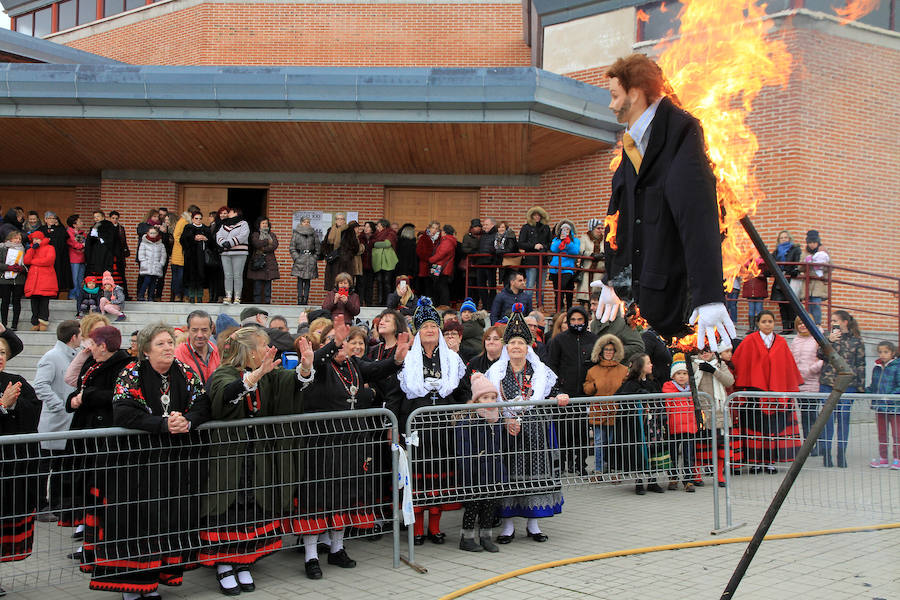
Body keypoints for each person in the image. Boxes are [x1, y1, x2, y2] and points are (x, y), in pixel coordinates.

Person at [593, 53, 735, 350]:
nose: (611, 105)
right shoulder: (632, 142)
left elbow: (697, 213)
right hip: (648, 294)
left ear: (635, 94)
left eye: (615, 96)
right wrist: (614, 279)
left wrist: (708, 294)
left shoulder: (681, 131)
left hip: (675, 294)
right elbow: (622, 216)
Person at [91, 323, 210, 597]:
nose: (168, 347)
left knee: (165, 522)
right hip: (136, 466)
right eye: (161, 344)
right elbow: (123, 412)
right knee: (134, 523)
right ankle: (132, 587)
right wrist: (162, 424)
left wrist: (188, 421)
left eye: (170, 342)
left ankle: (153, 581)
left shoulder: (184, 370)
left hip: (172, 465)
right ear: (146, 350)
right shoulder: (132, 373)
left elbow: (203, 403)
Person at [202, 327, 313, 592]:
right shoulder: (224, 373)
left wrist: (305, 369)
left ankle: (243, 561)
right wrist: (257, 374)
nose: (269, 350)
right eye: (264, 346)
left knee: (250, 505)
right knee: (228, 507)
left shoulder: (267, 375)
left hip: (256, 456)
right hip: (229, 457)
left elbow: (289, 384)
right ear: (250, 351)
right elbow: (224, 396)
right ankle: (224, 564)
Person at [297, 318, 409, 577]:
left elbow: (377, 369)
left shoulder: (353, 364)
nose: (341, 348)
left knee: (343, 495)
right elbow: (312, 366)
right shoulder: (320, 366)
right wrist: (331, 344)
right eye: (336, 343)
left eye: (343, 342)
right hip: (321, 444)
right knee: (317, 500)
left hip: (349, 442)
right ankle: (311, 556)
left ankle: (337, 548)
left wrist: (396, 360)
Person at [485, 304, 568, 543]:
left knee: (534, 473)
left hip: (535, 429)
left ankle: (533, 524)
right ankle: (508, 526)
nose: (516, 347)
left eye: (521, 343)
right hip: (506, 429)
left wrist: (559, 397)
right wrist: (505, 418)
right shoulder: (497, 371)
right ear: (506, 347)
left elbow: (555, 390)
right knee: (509, 474)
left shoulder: (540, 370)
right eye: (512, 343)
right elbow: (489, 399)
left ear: (527, 346)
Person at [394, 297, 467, 545]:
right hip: (415, 427)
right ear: (418, 331)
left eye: (433, 327)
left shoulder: (452, 360)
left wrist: (462, 410)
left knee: (439, 477)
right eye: (424, 327)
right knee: (417, 479)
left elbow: (463, 391)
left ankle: (434, 527)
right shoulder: (408, 359)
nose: (429, 330)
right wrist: (395, 428)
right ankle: (416, 529)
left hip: (443, 427)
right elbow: (396, 395)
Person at [64, 325, 134, 565]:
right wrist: (73, 400)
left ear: (103, 346)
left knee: (102, 499)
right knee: (89, 497)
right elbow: (76, 385)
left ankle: (101, 548)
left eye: (92, 344)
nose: (88, 348)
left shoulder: (124, 365)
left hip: (105, 442)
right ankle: (89, 547)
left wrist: (88, 396)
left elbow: (118, 395)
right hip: (86, 437)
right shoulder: (92, 361)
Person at [731, 310, 803, 473]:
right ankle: (755, 462)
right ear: (758, 323)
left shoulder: (781, 342)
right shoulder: (750, 340)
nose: (767, 324)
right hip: (755, 393)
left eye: (770, 321)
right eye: (764, 321)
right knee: (755, 429)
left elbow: (788, 367)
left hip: (775, 394)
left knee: (773, 429)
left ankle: (770, 462)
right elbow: (739, 363)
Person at [0, 327, 39, 596]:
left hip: (9, 471)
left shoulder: (16, 380)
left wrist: (12, 406)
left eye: (2, 352)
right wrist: (1, 406)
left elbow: (33, 414)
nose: (0, 357)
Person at [33, 320, 80, 522]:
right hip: (53, 424)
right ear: (73, 337)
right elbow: (40, 385)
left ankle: (57, 505)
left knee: (61, 467)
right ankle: (41, 506)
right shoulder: (51, 357)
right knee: (45, 468)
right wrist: (60, 406)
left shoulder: (75, 356)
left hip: (67, 424)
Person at [454, 373, 506, 553]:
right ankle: (466, 538)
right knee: (474, 504)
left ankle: (486, 536)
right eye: (485, 398)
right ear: (476, 400)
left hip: (493, 470)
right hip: (475, 471)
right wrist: (468, 469)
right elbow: (464, 448)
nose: (490, 401)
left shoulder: (497, 419)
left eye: (493, 397)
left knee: (490, 503)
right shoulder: (468, 421)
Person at [546, 306, 597, 475]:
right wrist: (557, 388)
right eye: (573, 320)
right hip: (564, 393)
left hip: (584, 393)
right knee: (563, 432)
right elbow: (552, 365)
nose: (576, 323)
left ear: (585, 320)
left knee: (581, 433)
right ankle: (560, 464)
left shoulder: (593, 339)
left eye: (579, 320)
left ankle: (580, 464)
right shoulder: (559, 340)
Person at [817, 310, 866, 467]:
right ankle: (826, 455)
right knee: (827, 421)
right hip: (828, 384)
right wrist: (828, 341)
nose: (832, 323)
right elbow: (819, 354)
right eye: (831, 321)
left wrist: (860, 387)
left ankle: (841, 454)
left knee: (843, 420)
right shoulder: (827, 336)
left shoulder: (857, 341)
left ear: (845, 322)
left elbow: (860, 364)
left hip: (847, 386)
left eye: (836, 321)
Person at [614, 353, 667, 495]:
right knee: (639, 451)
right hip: (637, 426)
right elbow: (620, 398)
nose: (651, 365)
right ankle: (639, 483)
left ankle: (652, 481)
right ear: (640, 366)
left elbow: (659, 399)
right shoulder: (630, 384)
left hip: (652, 424)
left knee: (652, 451)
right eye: (648, 363)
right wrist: (638, 395)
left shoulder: (652, 382)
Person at [583, 334, 628, 480]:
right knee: (598, 442)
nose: (609, 352)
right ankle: (598, 470)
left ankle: (614, 469)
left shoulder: (624, 370)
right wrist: (594, 385)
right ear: (601, 352)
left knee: (614, 442)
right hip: (598, 411)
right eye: (606, 349)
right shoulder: (593, 371)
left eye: (612, 350)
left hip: (616, 412)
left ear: (616, 352)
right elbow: (586, 389)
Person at [692, 346, 737, 487]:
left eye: (707, 351)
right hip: (701, 410)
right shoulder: (693, 364)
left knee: (720, 445)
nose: (704, 354)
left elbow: (729, 381)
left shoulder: (719, 363)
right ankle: (697, 474)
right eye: (701, 352)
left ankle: (719, 475)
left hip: (718, 409)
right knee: (700, 444)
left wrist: (714, 371)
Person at [662, 355, 699, 492]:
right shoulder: (668, 387)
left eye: (684, 373)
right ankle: (673, 477)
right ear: (673, 375)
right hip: (673, 427)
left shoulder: (692, 388)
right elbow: (669, 403)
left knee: (688, 454)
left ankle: (688, 480)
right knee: (672, 454)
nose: (682, 377)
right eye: (678, 374)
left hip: (689, 426)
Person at [789, 317, 824, 453]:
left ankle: (819, 444)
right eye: (799, 324)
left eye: (805, 323)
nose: (802, 326)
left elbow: (824, 359)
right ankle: (808, 446)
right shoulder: (796, 340)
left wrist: (812, 369)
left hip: (813, 382)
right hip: (800, 384)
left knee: (813, 416)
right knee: (804, 416)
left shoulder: (817, 338)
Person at [868, 341, 899, 469]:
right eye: (880, 352)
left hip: (895, 407)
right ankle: (883, 458)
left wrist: (889, 397)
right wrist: (865, 391)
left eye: (886, 352)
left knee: (897, 434)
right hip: (880, 406)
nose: (883, 354)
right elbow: (874, 385)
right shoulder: (877, 367)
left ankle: (897, 458)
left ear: (892, 353)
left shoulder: (897, 366)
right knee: (882, 433)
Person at [174, 310, 221, 384]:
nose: (200, 335)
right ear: (188, 330)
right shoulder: (178, 355)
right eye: (195, 330)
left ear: (211, 330)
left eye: (204, 330)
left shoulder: (217, 352)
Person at [517, 206, 551, 306]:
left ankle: (540, 306)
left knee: (541, 286)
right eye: (535, 215)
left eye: (539, 215)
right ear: (531, 216)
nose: (537, 217)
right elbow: (521, 243)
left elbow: (550, 243)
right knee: (530, 285)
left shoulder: (546, 228)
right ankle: (527, 307)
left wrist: (543, 246)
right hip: (531, 260)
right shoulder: (526, 227)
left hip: (543, 260)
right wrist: (533, 246)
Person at [24, 230, 57, 331]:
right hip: (33, 280)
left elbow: (49, 260)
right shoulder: (32, 249)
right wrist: (31, 250)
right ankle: (35, 323)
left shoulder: (50, 248)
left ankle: (43, 321)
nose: (35, 241)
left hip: (45, 279)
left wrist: (34, 262)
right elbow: (26, 260)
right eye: (34, 239)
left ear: (42, 239)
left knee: (44, 302)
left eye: (37, 239)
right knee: (34, 302)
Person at [216, 208, 250, 304]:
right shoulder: (224, 224)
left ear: (236, 213)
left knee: (237, 275)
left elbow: (243, 235)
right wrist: (223, 243)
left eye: (230, 212)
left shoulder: (243, 223)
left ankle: (237, 297)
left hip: (239, 253)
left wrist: (230, 242)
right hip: (225, 253)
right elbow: (218, 235)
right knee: (227, 275)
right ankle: (228, 296)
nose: (228, 213)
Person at [770, 230, 802, 334]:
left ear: (789, 238)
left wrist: (791, 271)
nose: (783, 239)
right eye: (781, 238)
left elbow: (797, 262)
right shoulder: (776, 252)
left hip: (789, 278)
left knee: (791, 304)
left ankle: (791, 328)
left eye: (785, 237)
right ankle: (785, 328)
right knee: (782, 304)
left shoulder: (795, 249)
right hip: (779, 280)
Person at [180, 211, 213, 303]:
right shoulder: (188, 227)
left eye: (200, 218)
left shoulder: (206, 229)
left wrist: (205, 239)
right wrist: (193, 238)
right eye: (196, 218)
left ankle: (199, 296)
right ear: (193, 219)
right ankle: (191, 296)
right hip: (191, 257)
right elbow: (182, 240)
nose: (198, 220)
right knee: (191, 277)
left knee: (201, 276)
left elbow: (211, 242)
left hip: (202, 257)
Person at [246, 216, 280, 304]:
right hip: (258, 262)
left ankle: (267, 302)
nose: (265, 225)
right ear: (259, 225)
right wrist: (267, 241)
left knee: (268, 285)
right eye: (263, 223)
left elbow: (274, 245)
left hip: (269, 262)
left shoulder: (272, 235)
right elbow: (256, 243)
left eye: (266, 223)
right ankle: (257, 302)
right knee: (257, 285)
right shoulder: (255, 234)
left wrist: (263, 248)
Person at [548, 220, 580, 312]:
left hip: (567, 269)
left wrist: (568, 242)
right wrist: (561, 240)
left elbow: (575, 251)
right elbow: (553, 249)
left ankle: (569, 310)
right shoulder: (556, 240)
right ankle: (559, 310)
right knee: (557, 291)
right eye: (563, 229)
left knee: (566, 289)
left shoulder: (575, 240)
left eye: (567, 229)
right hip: (555, 269)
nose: (565, 231)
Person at [40, 211, 72, 298]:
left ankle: (55, 293)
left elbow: (64, 243)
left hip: (58, 257)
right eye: (50, 218)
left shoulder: (61, 229)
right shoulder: (41, 229)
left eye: (54, 218)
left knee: (57, 274)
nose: (52, 220)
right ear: (45, 219)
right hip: (45, 257)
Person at [290, 216, 321, 305]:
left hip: (310, 259)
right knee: (300, 280)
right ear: (301, 223)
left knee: (307, 281)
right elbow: (292, 247)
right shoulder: (296, 234)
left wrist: (314, 257)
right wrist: (296, 257)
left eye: (308, 222)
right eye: (304, 222)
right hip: (300, 259)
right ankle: (299, 299)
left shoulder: (313, 234)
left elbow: (318, 248)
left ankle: (306, 299)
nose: (306, 223)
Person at [170, 206, 198, 303]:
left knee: (185, 277)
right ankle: (178, 295)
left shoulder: (190, 222)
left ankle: (185, 295)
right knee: (179, 277)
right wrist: (186, 245)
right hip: (180, 254)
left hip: (186, 254)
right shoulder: (183, 221)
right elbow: (176, 235)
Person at [802, 230, 830, 325]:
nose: (812, 245)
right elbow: (800, 267)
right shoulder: (805, 253)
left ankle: (817, 325)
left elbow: (831, 266)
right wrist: (806, 263)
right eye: (810, 242)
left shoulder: (823, 252)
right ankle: (809, 325)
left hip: (818, 283)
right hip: (808, 284)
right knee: (808, 305)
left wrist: (822, 265)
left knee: (816, 304)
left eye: (814, 242)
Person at [0, 230, 27, 330]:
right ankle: (3, 324)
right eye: (16, 238)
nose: (18, 240)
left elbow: (27, 265)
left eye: (19, 239)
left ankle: (15, 324)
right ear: (10, 238)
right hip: (5, 279)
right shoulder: (2, 248)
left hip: (18, 279)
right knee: (5, 301)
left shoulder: (23, 249)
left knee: (16, 302)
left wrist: (21, 269)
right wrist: (8, 267)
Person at [576, 218, 604, 304]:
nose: (600, 230)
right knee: (585, 294)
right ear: (592, 228)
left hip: (599, 270)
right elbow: (581, 250)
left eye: (601, 228)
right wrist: (592, 254)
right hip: (587, 269)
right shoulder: (585, 238)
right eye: (598, 228)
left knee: (596, 293)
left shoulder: (604, 239)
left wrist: (602, 254)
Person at [84, 210, 119, 279]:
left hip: (105, 251)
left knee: (104, 270)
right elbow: (90, 239)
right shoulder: (95, 226)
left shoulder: (108, 225)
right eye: (94, 217)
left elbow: (111, 238)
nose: (96, 218)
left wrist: (100, 239)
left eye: (98, 216)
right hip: (95, 252)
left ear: (103, 217)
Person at [372, 219, 399, 305]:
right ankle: (380, 302)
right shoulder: (375, 235)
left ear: (383, 226)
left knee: (387, 282)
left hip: (388, 263)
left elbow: (387, 244)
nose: (377, 227)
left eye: (378, 225)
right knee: (379, 282)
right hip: (378, 262)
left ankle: (388, 302)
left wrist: (375, 244)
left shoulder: (390, 233)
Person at [137, 225, 167, 302]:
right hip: (147, 266)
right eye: (151, 233)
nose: (153, 235)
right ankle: (141, 295)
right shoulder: (144, 243)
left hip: (156, 266)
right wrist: (144, 262)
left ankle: (150, 296)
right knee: (146, 281)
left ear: (157, 234)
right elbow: (141, 254)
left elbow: (163, 255)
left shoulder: (161, 244)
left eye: (154, 233)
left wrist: (161, 263)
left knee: (154, 282)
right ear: (148, 233)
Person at [430, 224, 457, 307]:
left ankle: (443, 305)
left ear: (444, 232)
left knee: (441, 287)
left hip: (441, 267)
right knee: (437, 286)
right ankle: (439, 305)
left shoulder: (447, 241)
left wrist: (431, 259)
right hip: (439, 266)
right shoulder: (447, 240)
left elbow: (441, 254)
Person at [474, 218, 497, 311]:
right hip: (481, 263)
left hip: (490, 264)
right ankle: (485, 305)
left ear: (492, 225)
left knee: (491, 286)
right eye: (484, 225)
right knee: (481, 285)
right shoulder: (483, 236)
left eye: (486, 225)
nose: (484, 227)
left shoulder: (496, 235)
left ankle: (491, 306)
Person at [321, 212, 348, 292]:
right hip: (332, 261)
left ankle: (342, 301)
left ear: (344, 220)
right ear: (335, 220)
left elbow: (352, 246)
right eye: (338, 219)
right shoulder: (330, 230)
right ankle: (333, 301)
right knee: (332, 284)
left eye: (342, 219)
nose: (340, 220)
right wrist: (326, 254)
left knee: (343, 283)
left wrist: (345, 255)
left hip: (343, 261)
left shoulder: (348, 231)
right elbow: (325, 244)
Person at [107, 211, 131, 301]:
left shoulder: (121, 228)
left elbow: (123, 241)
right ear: (110, 218)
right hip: (110, 255)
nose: (115, 220)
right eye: (113, 218)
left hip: (119, 255)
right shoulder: (107, 228)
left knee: (121, 275)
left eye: (116, 218)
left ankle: (124, 295)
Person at [741, 256, 767, 332]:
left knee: (756, 309)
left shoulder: (747, 264)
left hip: (756, 290)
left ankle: (754, 328)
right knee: (754, 309)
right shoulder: (762, 264)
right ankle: (754, 327)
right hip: (754, 290)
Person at [66, 214, 87, 302]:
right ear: (74, 224)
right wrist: (83, 245)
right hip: (74, 258)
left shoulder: (82, 232)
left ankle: (79, 295)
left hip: (82, 258)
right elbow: (73, 243)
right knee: (74, 278)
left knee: (80, 279)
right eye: (80, 221)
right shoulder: (69, 232)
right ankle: (72, 295)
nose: (82, 223)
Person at [459, 298, 485, 362]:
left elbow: (458, 333)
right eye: (464, 312)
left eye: (470, 312)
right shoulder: (467, 324)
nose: (466, 314)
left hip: (475, 354)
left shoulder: (473, 324)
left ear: (474, 315)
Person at [493, 221, 518, 286]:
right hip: (502, 263)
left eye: (503, 227)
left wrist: (498, 251)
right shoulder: (497, 237)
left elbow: (510, 249)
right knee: (505, 282)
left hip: (510, 263)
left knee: (511, 282)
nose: (501, 229)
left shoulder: (510, 235)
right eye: (499, 227)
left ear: (506, 228)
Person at [359, 221, 376, 306]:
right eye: (365, 226)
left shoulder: (375, 238)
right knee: (361, 285)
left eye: (368, 227)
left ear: (372, 229)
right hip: (361, 265)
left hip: (371, 266)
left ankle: (369, 303)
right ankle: (360, 303)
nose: (366, 228)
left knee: (370, 286)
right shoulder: (360, 238)